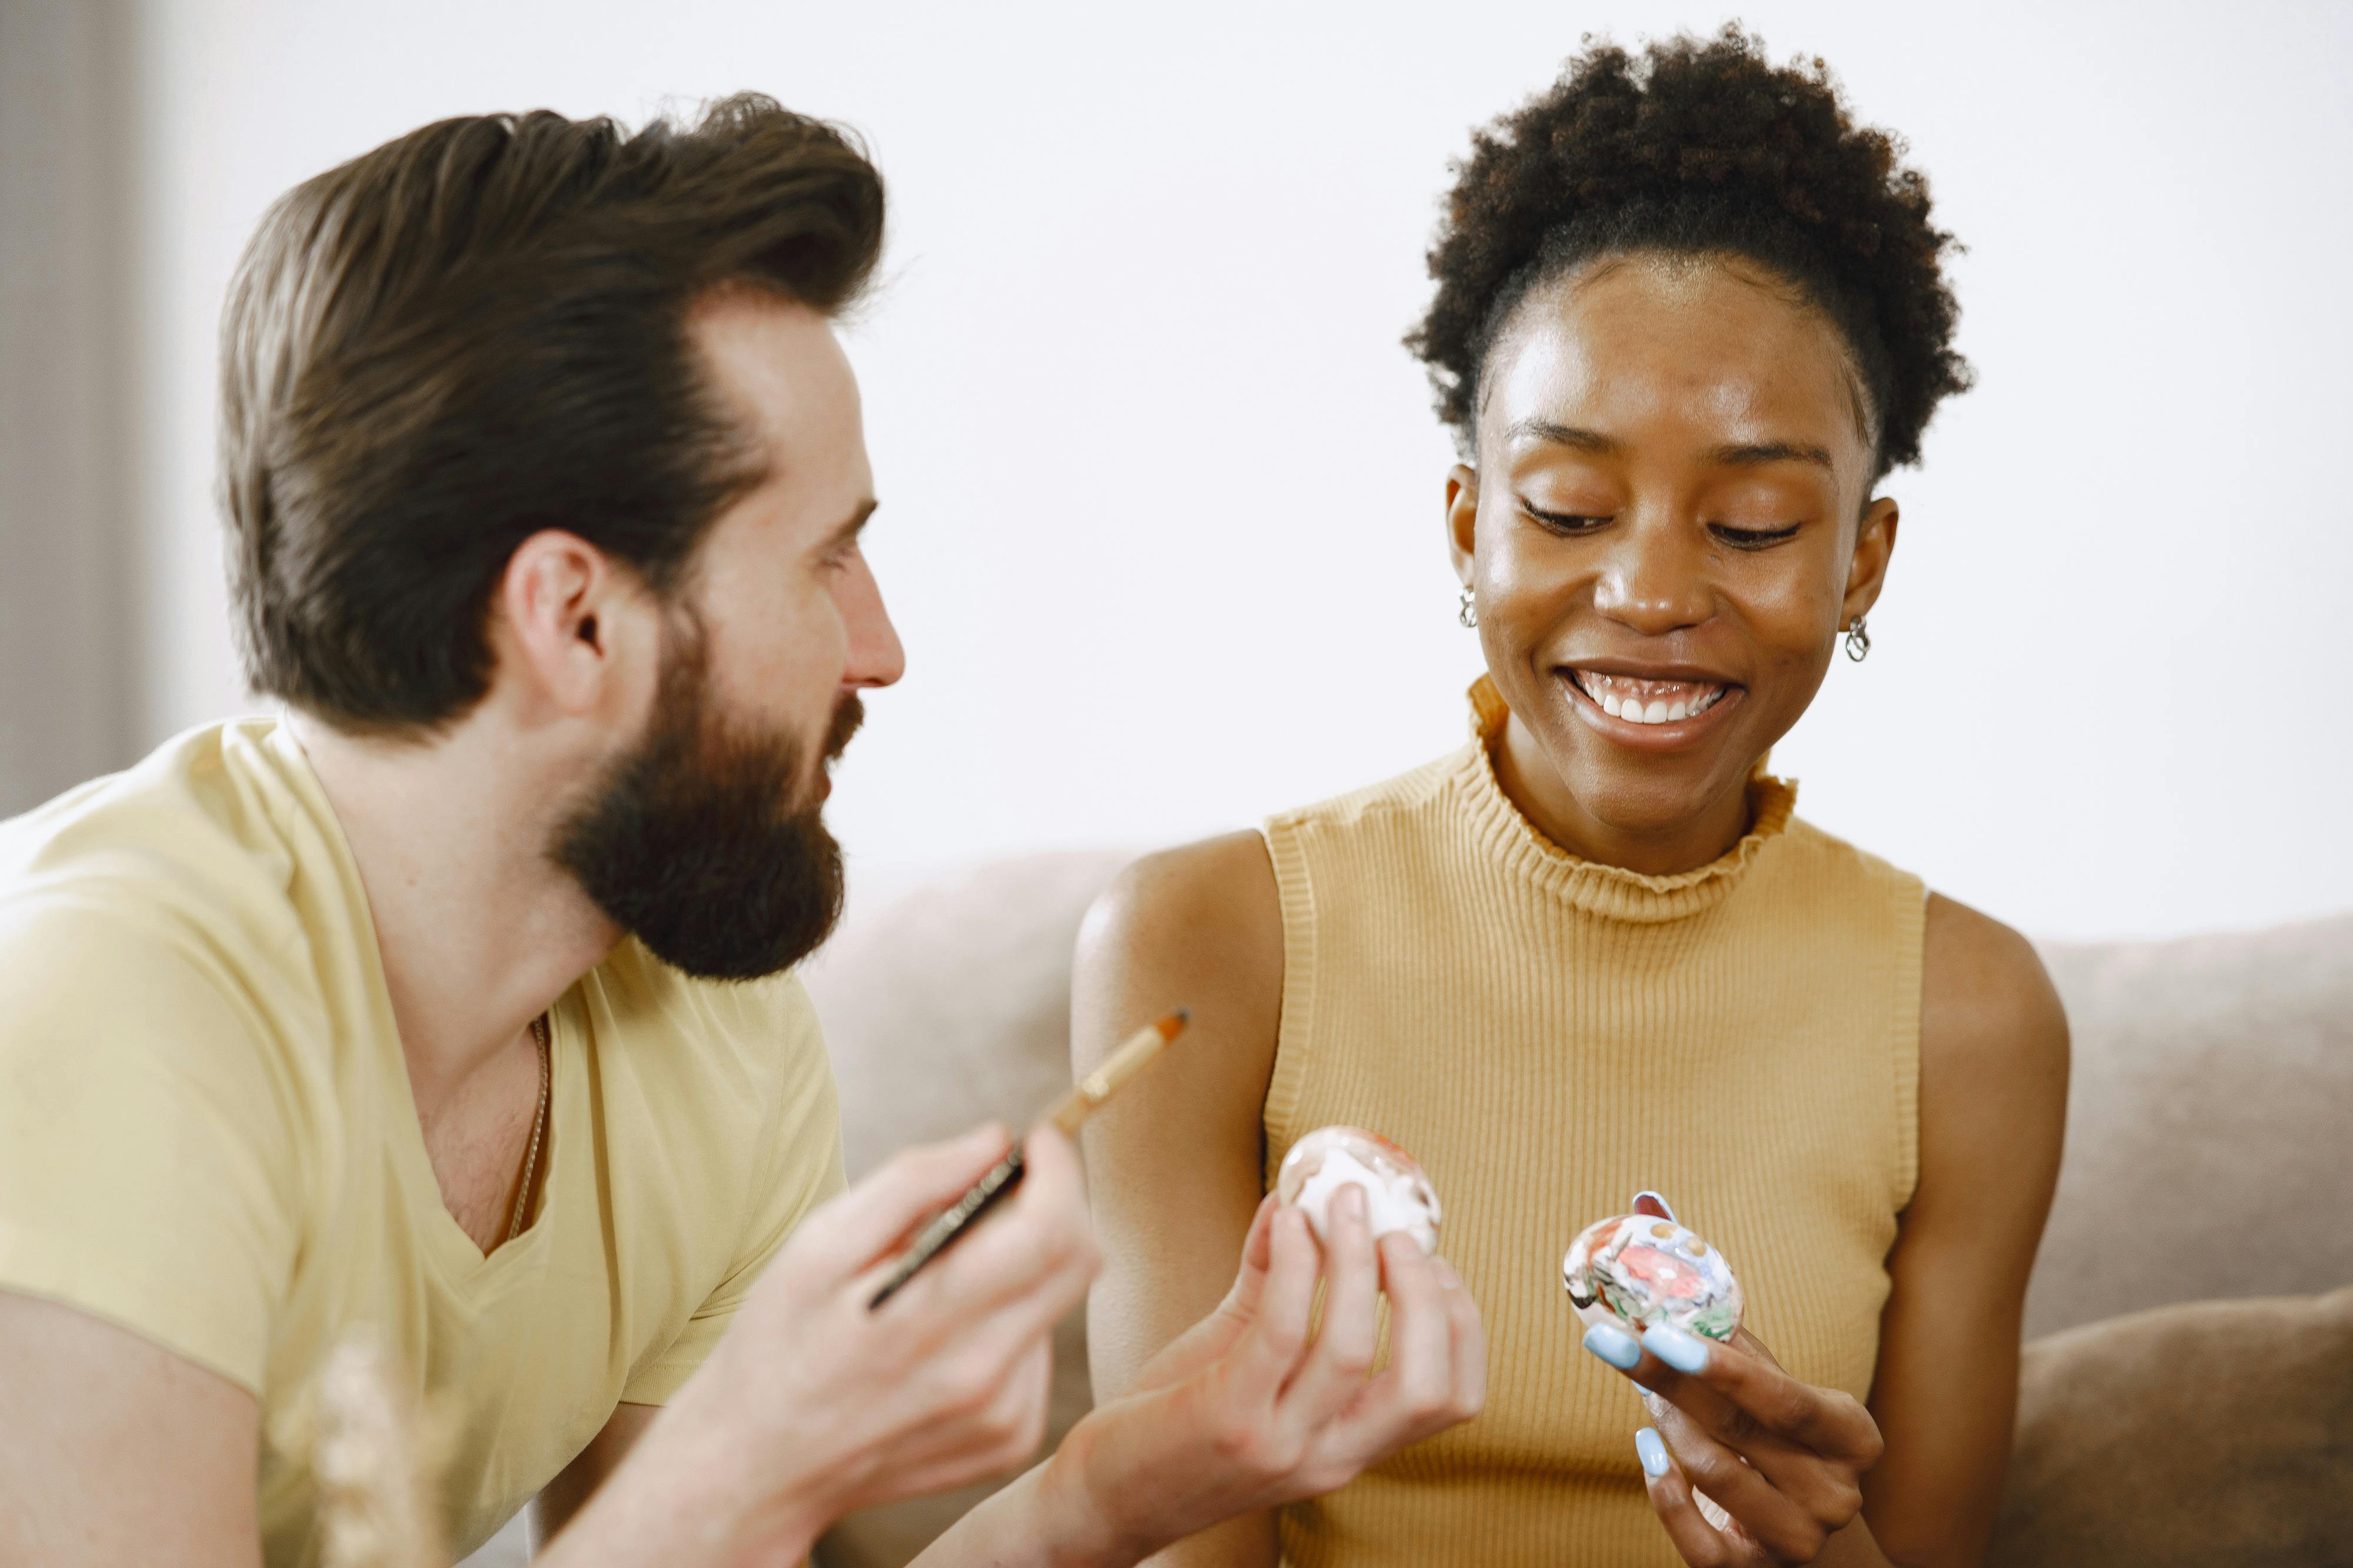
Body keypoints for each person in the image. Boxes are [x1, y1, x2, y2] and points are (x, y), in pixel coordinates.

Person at [0, 98, 1485, 1566]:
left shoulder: (708, 1026)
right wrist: (753, 1451)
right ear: (575, 619)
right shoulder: (101, 1012)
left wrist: (1119, 1480)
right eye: (825, 555)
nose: (882, 646)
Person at [1075, 29, 2068, 1568]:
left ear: (1861, 561)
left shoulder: (1972, 1020)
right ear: (1469, 526)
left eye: (1751, 522)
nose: (1652, 590)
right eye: (1567, 507)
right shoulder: (1205, 945)